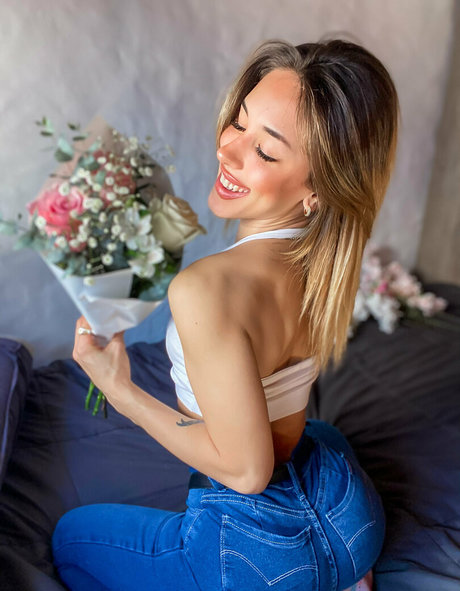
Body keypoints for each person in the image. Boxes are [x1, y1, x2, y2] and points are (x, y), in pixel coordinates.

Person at [52, 38, 399, 590]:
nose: (228, 151)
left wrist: (120, 391)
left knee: (70, 539)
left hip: (260, 561)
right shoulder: (328, 260)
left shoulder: (205, 289)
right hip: (355, 521)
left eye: (266, 151)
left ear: (318, 188)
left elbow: (247, 472)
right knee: (323, 433)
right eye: (239, 122)